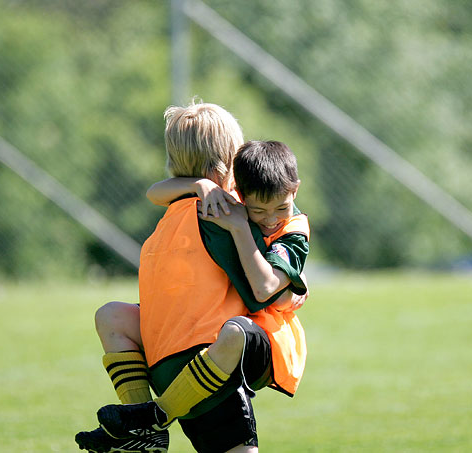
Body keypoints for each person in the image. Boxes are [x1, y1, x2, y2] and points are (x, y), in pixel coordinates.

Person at [75, 103, 309, 453]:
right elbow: (265, 293)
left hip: (172, 360)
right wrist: (288, 294)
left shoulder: (173, 213)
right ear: (229, 166)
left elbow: (155, 191)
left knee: (111, 315)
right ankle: (149, 425)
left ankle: (144, 421)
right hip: (208, 357)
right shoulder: (224, 213)